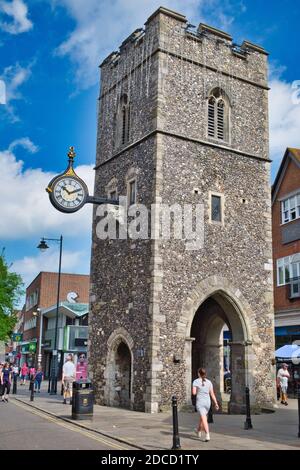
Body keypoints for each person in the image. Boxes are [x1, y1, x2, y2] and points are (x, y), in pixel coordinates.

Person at [192, 368, 219, 442]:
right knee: (202, 418)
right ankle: (198, 431)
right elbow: (212, 394)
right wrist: (216, 403)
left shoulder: (195, 382)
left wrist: (198, 390)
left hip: (200, 403)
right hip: (208, 402)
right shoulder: (209, 382)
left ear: (198, 374)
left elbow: (194, 393)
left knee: (204, 419)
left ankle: (207, 434)